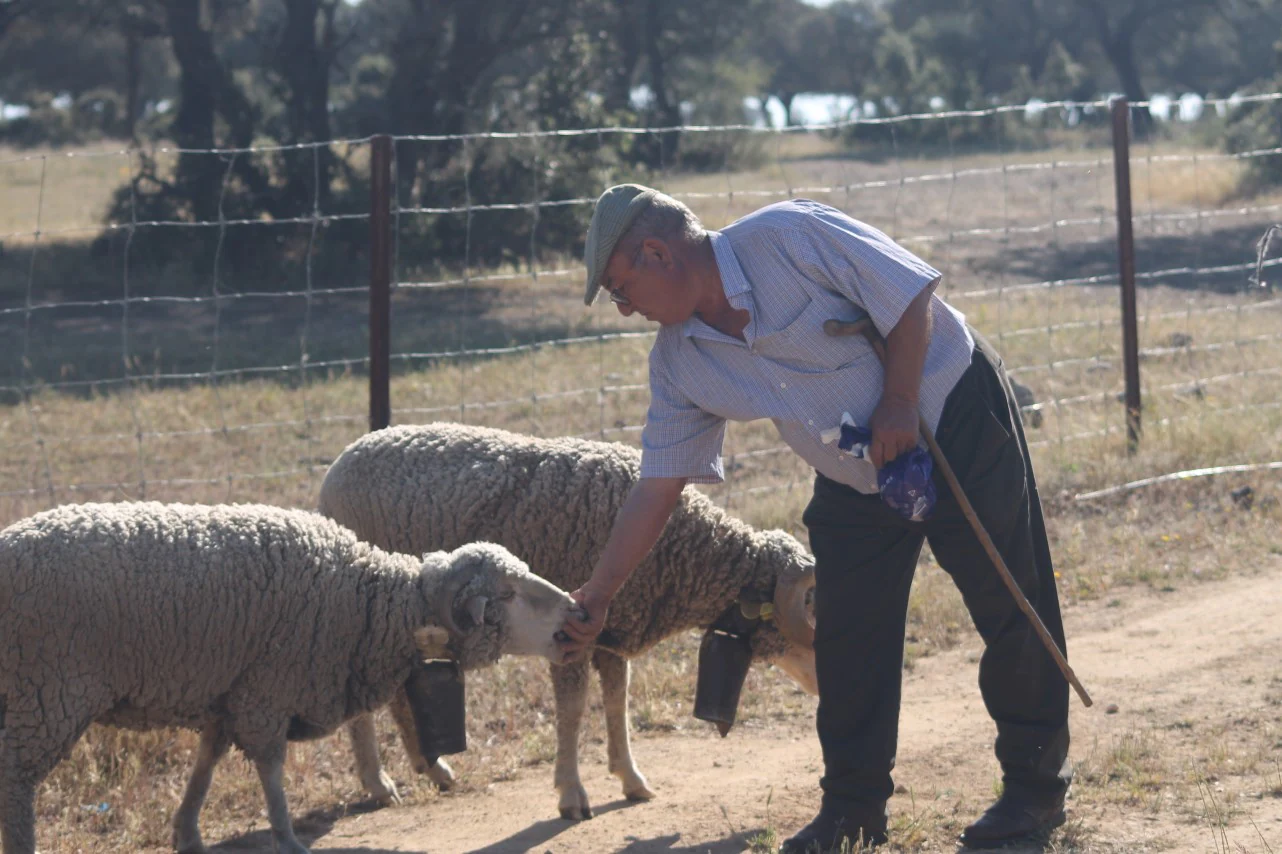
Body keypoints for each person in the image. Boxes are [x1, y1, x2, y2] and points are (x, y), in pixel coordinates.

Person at [558, 184, 1071, 851]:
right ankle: (853, 811)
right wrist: (597, 595)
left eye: (623, 288)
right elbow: (658, 482)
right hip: (853, 468)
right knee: (848, 634)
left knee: (1009, 600)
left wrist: (898, 399)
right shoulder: (680, 360)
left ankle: (1034, 791)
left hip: (950, 417)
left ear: (658, 253)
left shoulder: (789, 236)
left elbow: (909, 295)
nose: (626, 309)